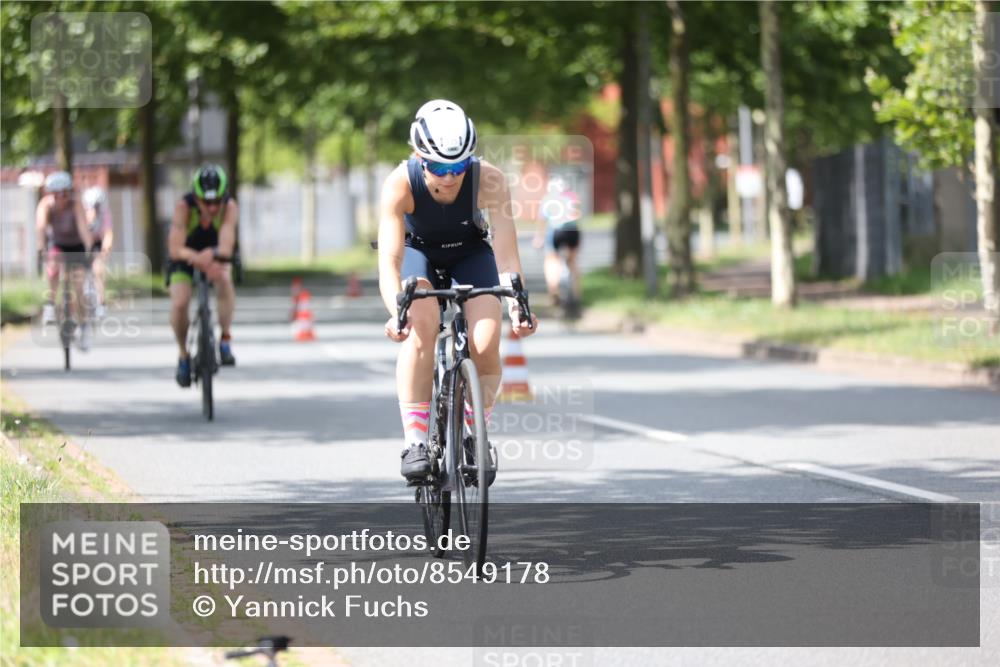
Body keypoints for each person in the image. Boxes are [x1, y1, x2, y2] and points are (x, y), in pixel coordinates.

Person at [377, 99, 538, 480]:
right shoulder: (400, 183)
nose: (449, 177)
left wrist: (518, 304)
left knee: (486, 340)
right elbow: (390, 261)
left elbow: (507, 254)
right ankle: (415, 440)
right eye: (437, 166)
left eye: (458, 166)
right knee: (422, 325)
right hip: (418, 255)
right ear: (419, 156)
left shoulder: (492, 180)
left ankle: (474, 431)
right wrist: (394, 310)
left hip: (470, 252)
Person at [167, 164, 238, 387]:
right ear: (196, 198)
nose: (213, 207)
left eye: (217, 201)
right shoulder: (184, 207)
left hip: (214, 257)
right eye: (207, 202)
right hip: (185, 258)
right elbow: (175, 248)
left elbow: (226, 246)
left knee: (225, 279)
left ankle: (225, 339)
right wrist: (196, 258)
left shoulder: (229, 207)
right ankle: (183, 355)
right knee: (180, 303)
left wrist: (212, 256)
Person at [36, 171, 94, 348]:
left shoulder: (76, 205)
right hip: (58, 245)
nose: (61, 197)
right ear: (50, 193)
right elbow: (40, 229)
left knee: (78, 288)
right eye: (56, 193)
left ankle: (84, 328)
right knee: (53, 264)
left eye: (64, 192)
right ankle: (50, 306)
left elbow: (84, 229)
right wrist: (41, 249)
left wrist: (90, 249)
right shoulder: (46, 205)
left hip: (76, 246)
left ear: (69, 192)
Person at [533, 175, 582, 309]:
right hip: (572, 231)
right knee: (573, 262)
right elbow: (577, 214)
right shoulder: (572, 196)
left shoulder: (548, 199)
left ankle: (554, 292)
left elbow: (542, 220)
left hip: (556, 231)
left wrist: (539, 237)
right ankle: (577, 294)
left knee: (552, 260)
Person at [82, 186, 114, 318]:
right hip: (84, 242)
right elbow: (83, 235)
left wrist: (105, 250)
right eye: (92, 206)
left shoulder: (105, 214)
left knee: (98, 270)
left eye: (97, 205)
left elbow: (108, 234)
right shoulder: (82, 213)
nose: (95, 208)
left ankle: (101, 302)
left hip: (98, 243)